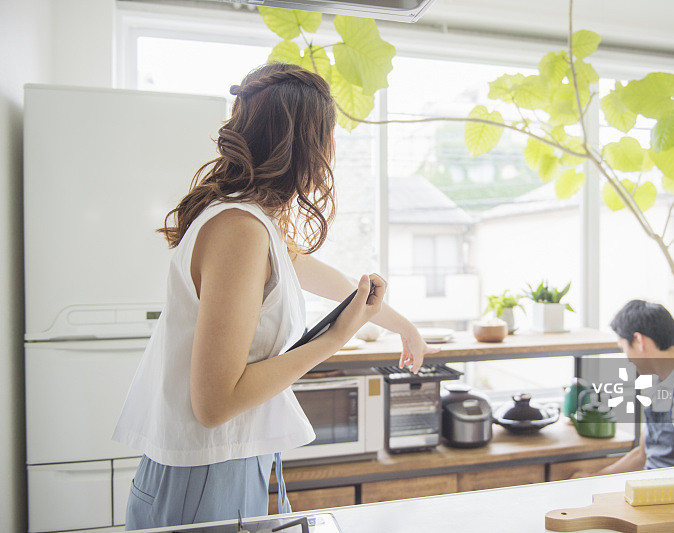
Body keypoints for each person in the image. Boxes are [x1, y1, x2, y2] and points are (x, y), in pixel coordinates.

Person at [112, 63, 438, 530]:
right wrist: (333, 339)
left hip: (219, 467)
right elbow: (215, 404)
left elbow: (313, 273)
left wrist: (401, 325)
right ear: (308, 145)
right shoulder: (240, 229)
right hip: (204, 475)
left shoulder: (249, 223)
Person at [572, 299, 674, 477]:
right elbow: (642, 455)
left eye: (624, 348)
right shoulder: (664, 383)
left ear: (638, 340)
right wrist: (593, 479)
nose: (627, 359)